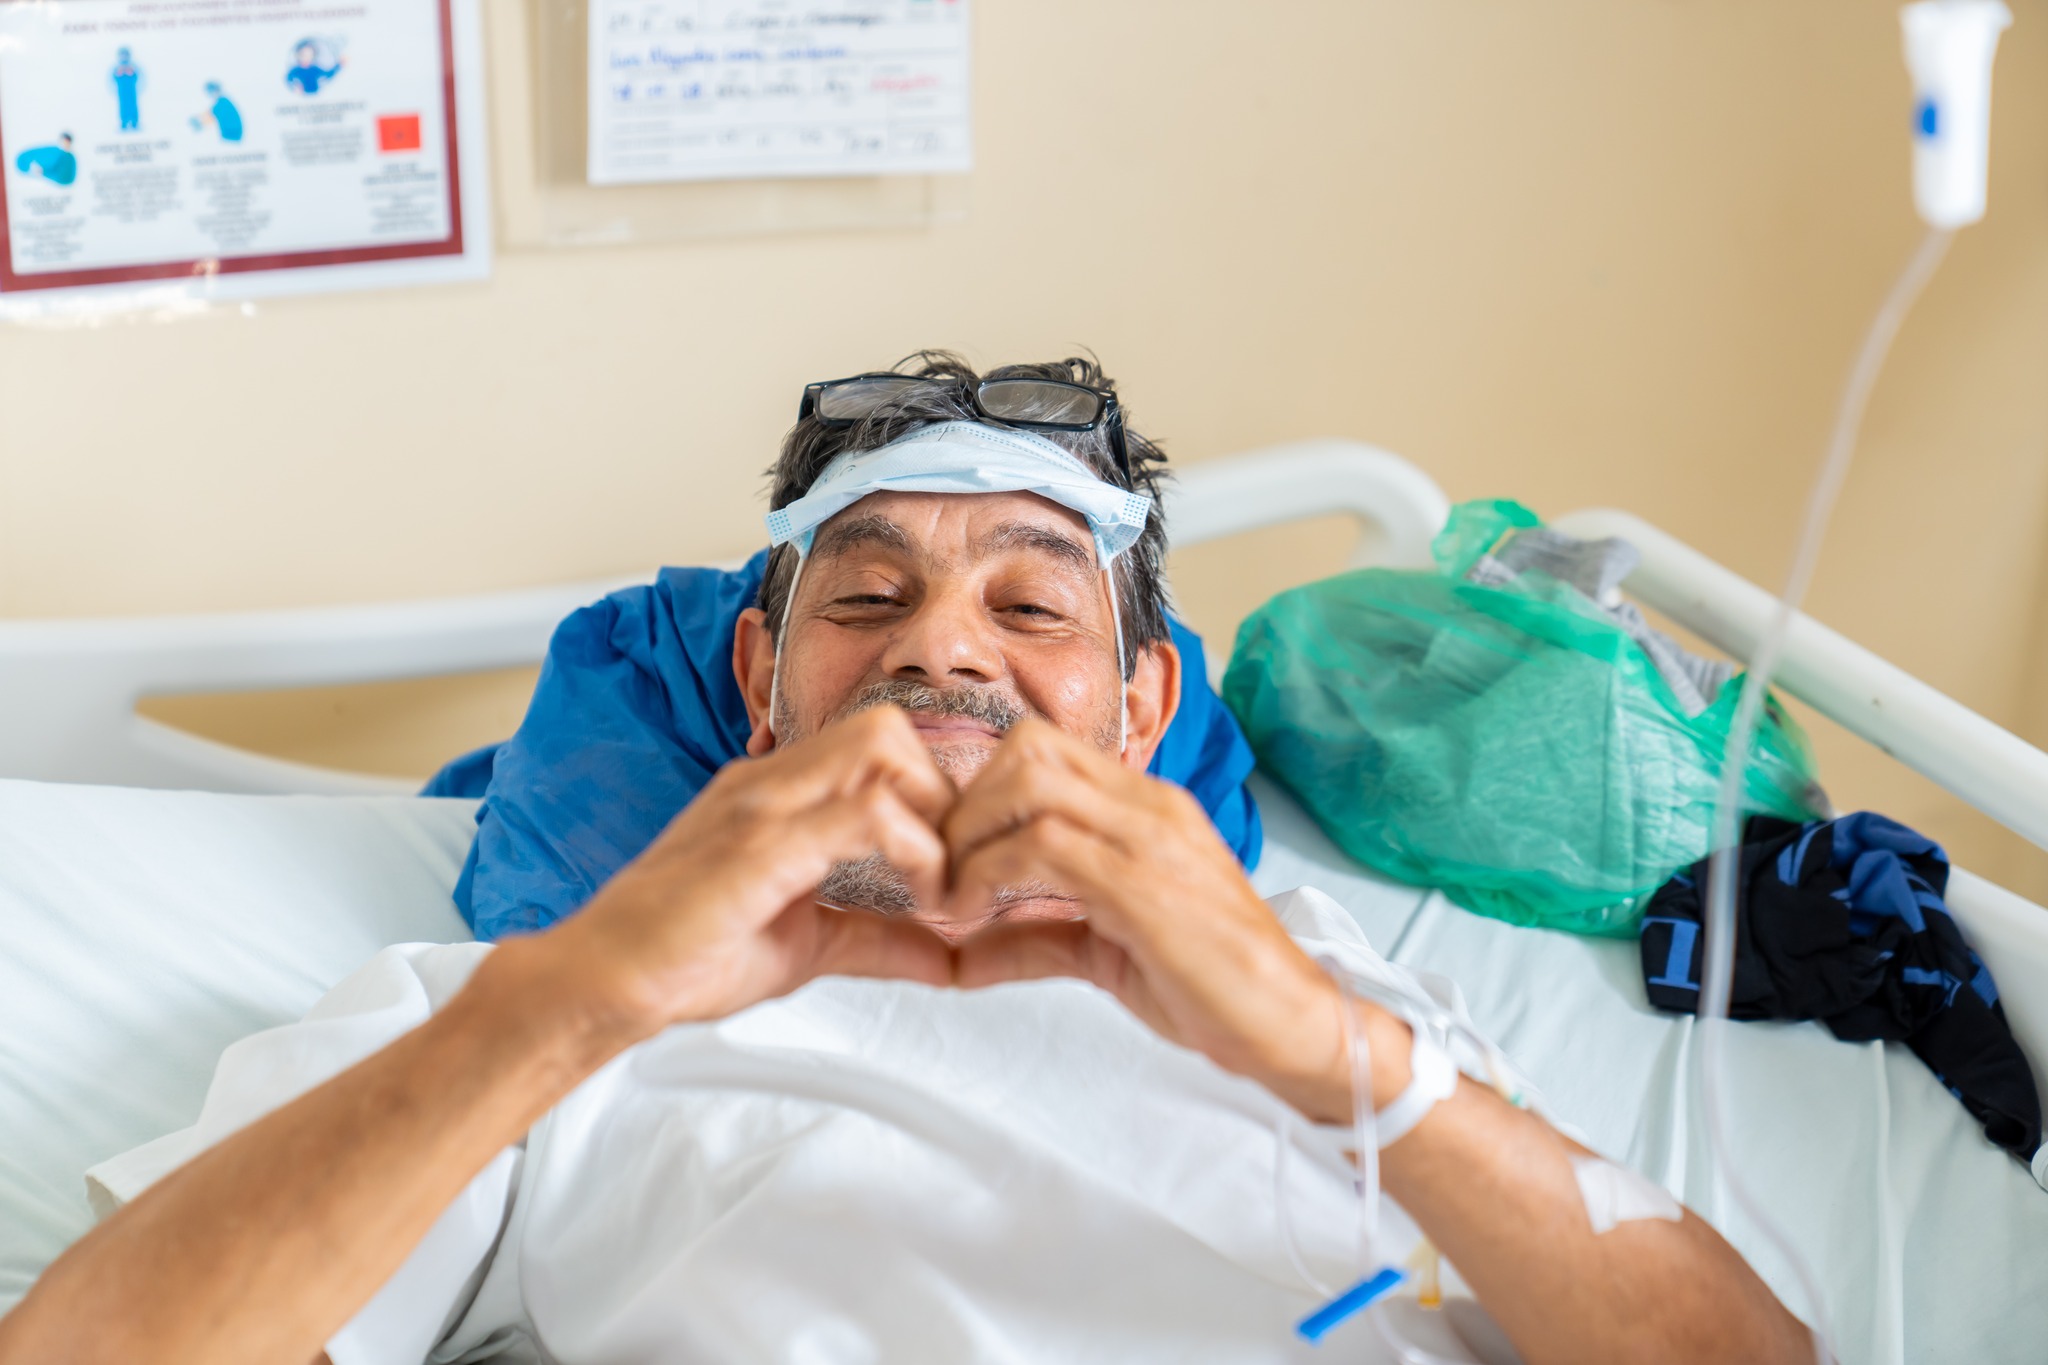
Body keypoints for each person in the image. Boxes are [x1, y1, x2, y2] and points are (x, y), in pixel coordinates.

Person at [0, 356, 1811, 1365]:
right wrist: (577, 1000)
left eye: (1031, 607)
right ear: (760, 685)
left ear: (1140, 706)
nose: (942, 646)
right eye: (868, 599)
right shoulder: (517, 1022)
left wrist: (1325, 1048)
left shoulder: (1338, 999)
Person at [110, 49, 142, 132]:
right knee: (123, 106)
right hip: (122, 91)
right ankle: (124, 121)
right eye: (122, 55)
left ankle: (134, 121)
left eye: (125, 55)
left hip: (132, 90)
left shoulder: (133, 66)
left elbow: (138, 77)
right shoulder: (117, 67)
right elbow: (113, 79)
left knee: (133, 105)